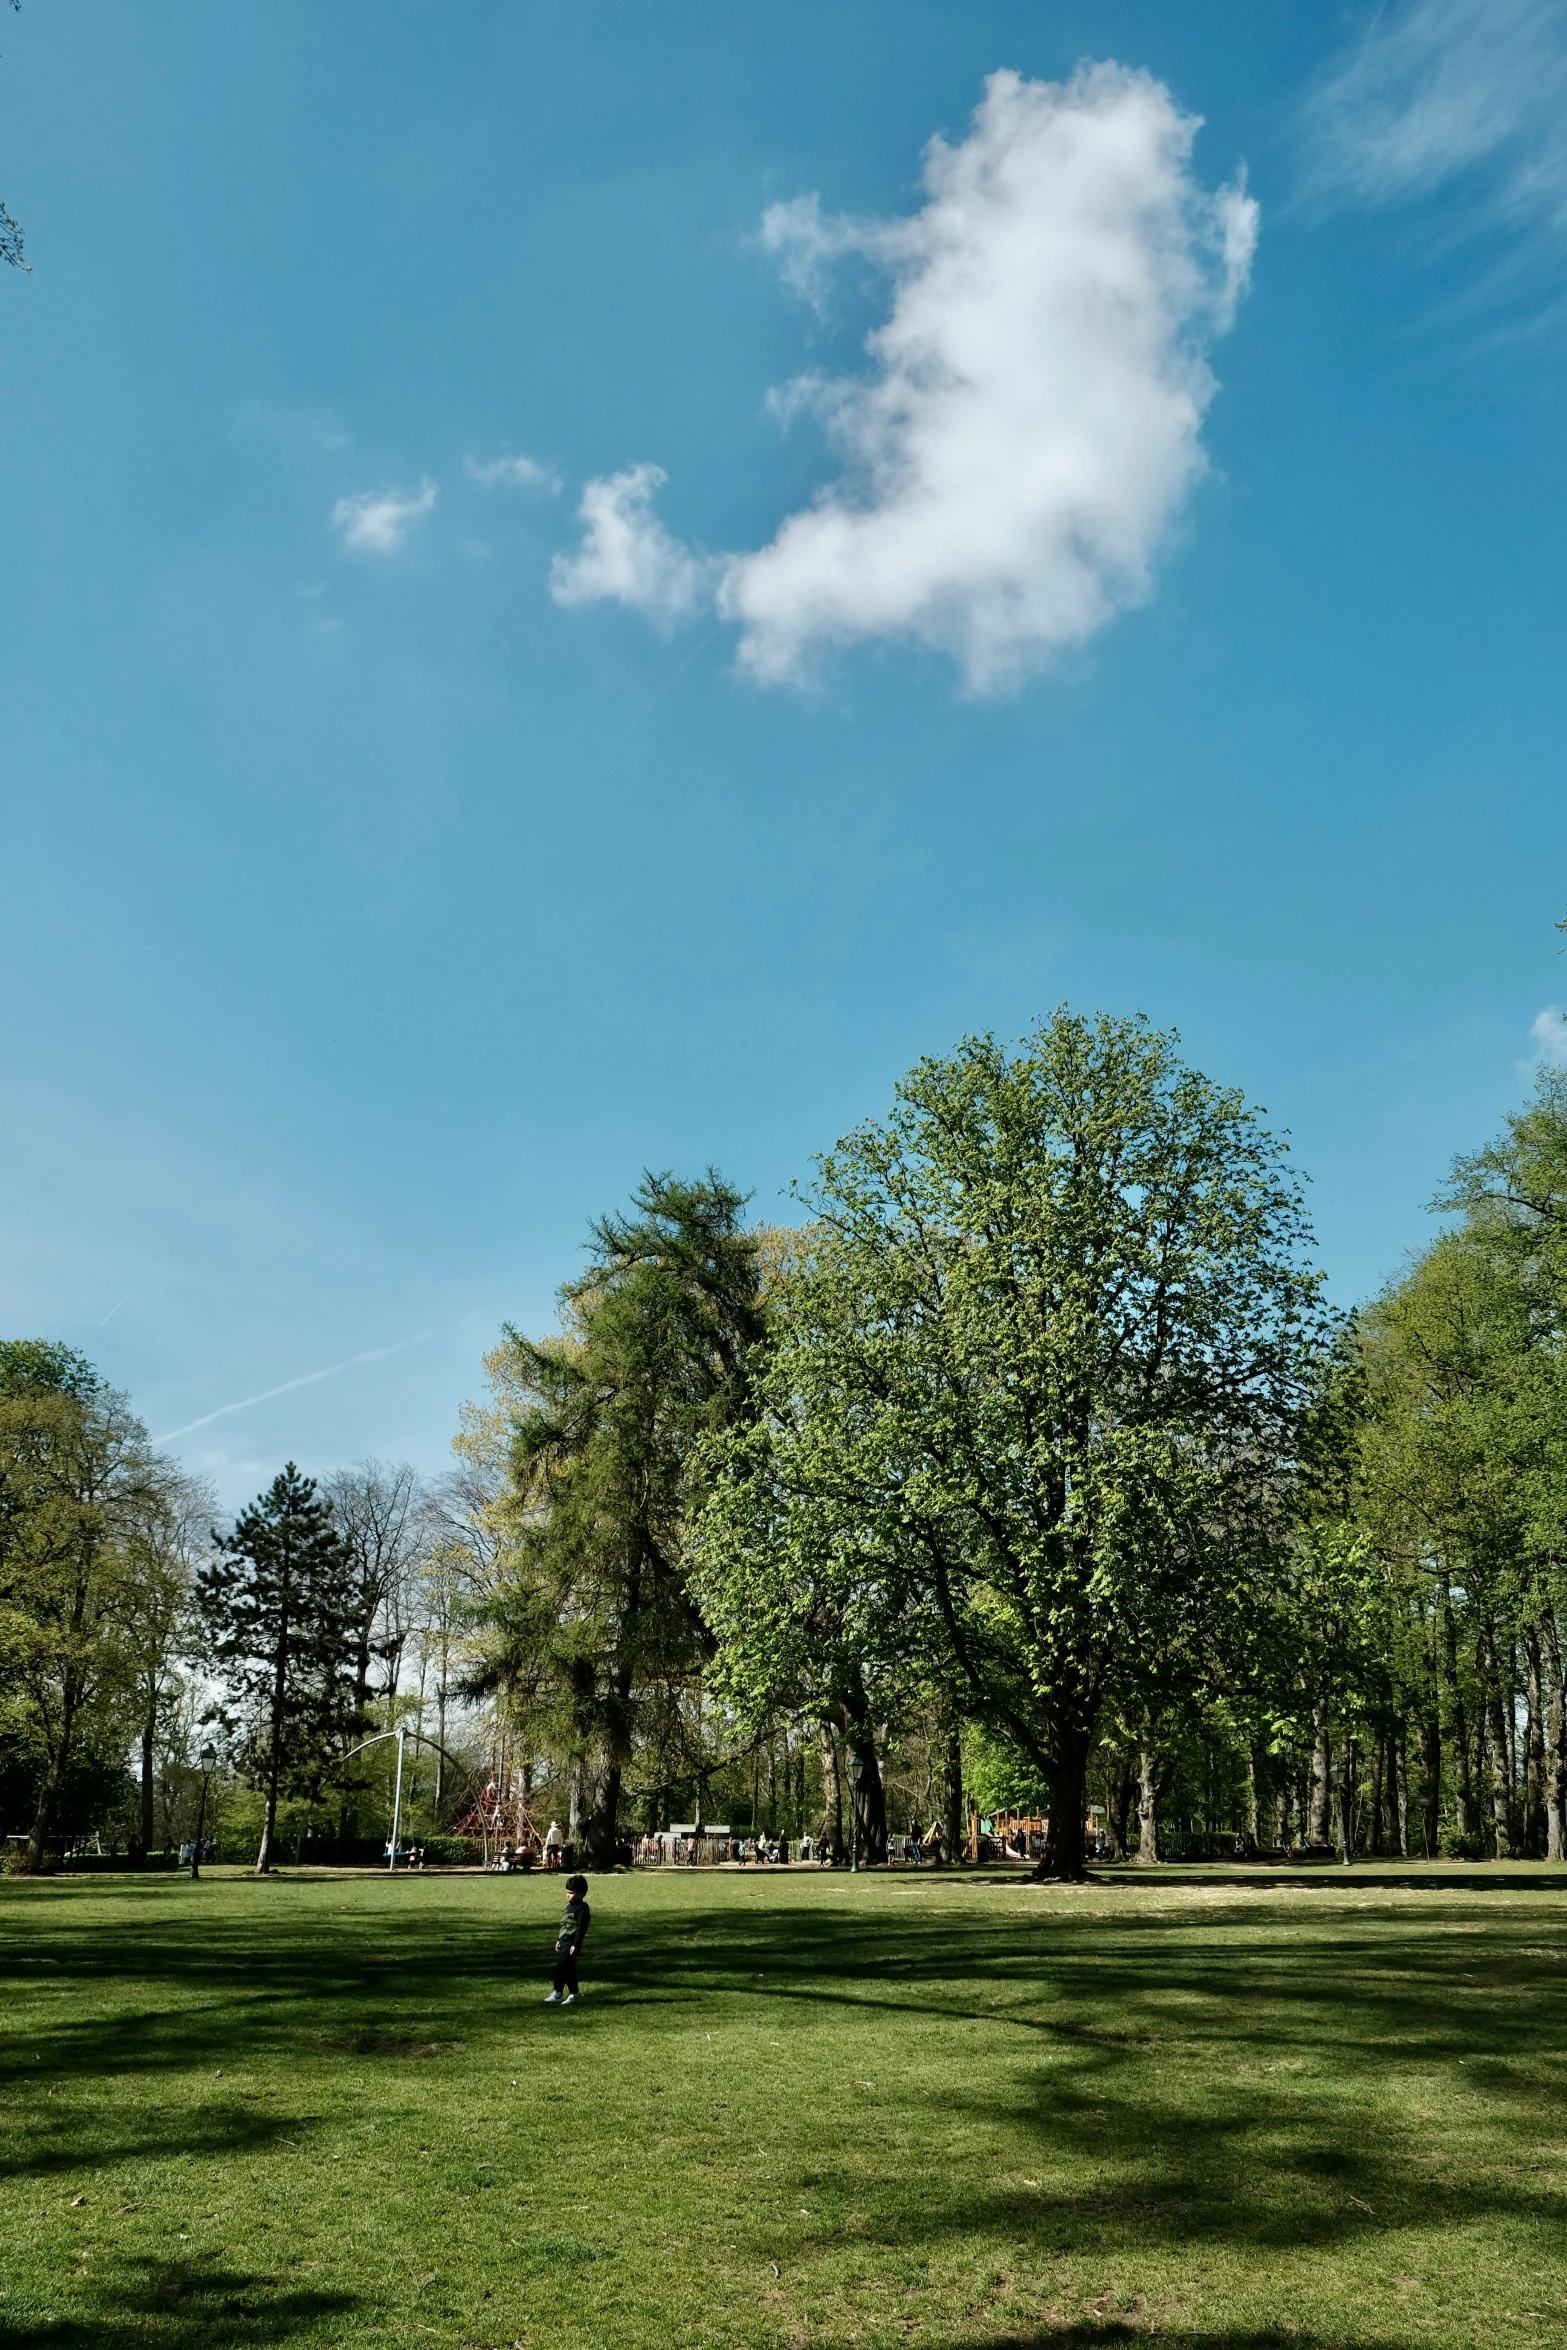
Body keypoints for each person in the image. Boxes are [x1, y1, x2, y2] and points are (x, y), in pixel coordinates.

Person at [545, 1873, 591, 2007]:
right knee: (569, 1969)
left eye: (571, 1893)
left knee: (561, 1967)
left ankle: (557, 1992)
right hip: (564, 1942)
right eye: (567, 1892)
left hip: (571, 1944)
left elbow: (581, 1928)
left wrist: (576, 1944)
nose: (567, 1895)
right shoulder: (568, 1907)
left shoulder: (582, 1909)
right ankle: (574, 1994)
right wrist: (559, 1940)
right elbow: (565, 1925)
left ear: (581, 1894)